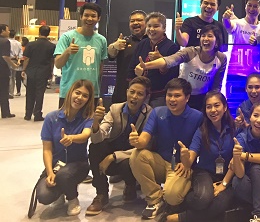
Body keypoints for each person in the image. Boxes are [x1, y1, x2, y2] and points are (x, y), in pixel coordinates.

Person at [129, 78, 203, 219]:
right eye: (169, 95)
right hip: (161, 161)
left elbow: (196, 146)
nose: (172, 99)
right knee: (137, 155)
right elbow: (144, 138)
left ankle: (172, 195)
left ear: (187, 98)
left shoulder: (197, 117)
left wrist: (187, 161)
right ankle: (155, 199)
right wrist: (137, 141)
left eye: (177, 95)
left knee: (172, 197)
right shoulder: (158, 112)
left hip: (182, 166)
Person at [164, 91, 236, 222]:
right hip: (205, 173)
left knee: (222, 202)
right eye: (209, 107)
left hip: (228, 176)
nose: (213, 110)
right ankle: (183, 203)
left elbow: (237, 159)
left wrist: (224, 184)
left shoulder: (234, 128)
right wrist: (185, 157)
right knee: (202, 199)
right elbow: (191, 158)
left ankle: (180, 217)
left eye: (217, 105)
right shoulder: (202, 131)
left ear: (225, 107)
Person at [85, 76, 153, 215]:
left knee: (132, 160)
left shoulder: (150, 114)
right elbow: (97, 138)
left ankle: (130, 186)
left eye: (140, 94)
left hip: (133, 154)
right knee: (95, 148)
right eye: (132, 92)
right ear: (127, 92)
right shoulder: (115, 109)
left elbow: (147, 146)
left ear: (146, 97)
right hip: (116, 146)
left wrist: (113, 156)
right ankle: (101, 194)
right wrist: (96, 122)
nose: (134, 96)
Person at [36, 79, 95, 216]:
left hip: (78, 164)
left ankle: (72, 198)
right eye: (77, 93)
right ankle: (61, 192)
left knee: (64, 175)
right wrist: (50, 172)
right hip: (57, 165)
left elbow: (85, 135)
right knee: (44, 196)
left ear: (88, 100)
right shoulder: (51, 118)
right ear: (70, 93)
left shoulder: (88, 118)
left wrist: (72, 138)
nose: (80, 98)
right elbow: (47, 149)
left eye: (85, 96)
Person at [136, 24, 227, 110]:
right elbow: (170, 60)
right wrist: (146, 66)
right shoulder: (190, 52)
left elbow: (217, 85)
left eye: (210, 36)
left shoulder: (221, 58)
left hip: (203, 97)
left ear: (216, 41)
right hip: (183, 94)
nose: (205, 38)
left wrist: (213, 101)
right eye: (203, 36)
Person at [54, 3, 108, 107]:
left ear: (99, 18)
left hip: (92, 93)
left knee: (90, 118)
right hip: (69, 92)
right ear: (81, 17)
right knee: (66, 118)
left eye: (93, 16)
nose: (89, 19)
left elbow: (100, 67)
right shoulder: (67, 37)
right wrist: (67, 51)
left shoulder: (102, 40)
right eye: (86, 15)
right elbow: (58, 64)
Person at [129, 11, 179, 107]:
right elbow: (131, 67)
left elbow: (173, 75)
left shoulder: (171, 47)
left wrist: (161, 61)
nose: (151, 29)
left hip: (159, 94)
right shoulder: (142, 44)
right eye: (149, 26)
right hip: (140, 93)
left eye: (156, 26)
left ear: (164, 28)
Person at [107, 10, 147, 104]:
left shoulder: (152, 42)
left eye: (139, 20)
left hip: (146, 91)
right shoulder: (123, 41)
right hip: (122, 91)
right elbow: (111, 54)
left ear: (146, 22)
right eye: (132, 21)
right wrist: (114, 46)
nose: (135, 23)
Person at [21, 25, 56, 121]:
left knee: (30, 92)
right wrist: (51, 72)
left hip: (31, 71)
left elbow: (26, 59)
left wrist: (24, 70)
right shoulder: (52, 46)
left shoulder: (30, 44)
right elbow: (52, 61)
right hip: (44, 72)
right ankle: (37, 114)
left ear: (39, 32)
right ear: (48, 33)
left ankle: (28, 114)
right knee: (40, 93)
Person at [0, 24, 16, 118]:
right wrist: (13, 65)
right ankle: (5, 112)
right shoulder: (5, 41)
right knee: (4, 91)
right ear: (2, 31)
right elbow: (5, 56)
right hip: (2, 69)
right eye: (7, 30)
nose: (9, 31)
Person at [8, 29, 23, 97]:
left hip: (8, 60)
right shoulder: (18, 43)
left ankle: (8, 92)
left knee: (8, 76)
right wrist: (19, 61)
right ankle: (11, 93)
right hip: (15, 60)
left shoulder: (7, 42)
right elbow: (20, 53)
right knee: (13, 77)